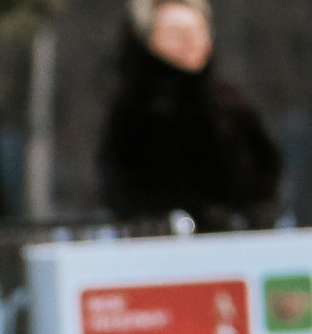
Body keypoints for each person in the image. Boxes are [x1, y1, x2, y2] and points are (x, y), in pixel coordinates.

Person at [98, 0, 284, 232]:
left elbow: (265, 176)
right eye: (175, 33)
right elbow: (121, 188)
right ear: (148, 41)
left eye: (197, 31)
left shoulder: (231, 106)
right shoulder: (132, 112)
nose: (189, 41)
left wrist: (252, 212)